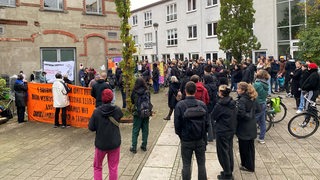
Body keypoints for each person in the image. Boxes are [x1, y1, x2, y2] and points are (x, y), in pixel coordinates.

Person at [174, 81, 208, 180]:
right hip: (200, 139)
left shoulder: (180, 105)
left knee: (186, 165)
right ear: (196, 91)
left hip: (186, 139)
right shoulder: (202, 105)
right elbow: (207, 123)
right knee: (201, 165)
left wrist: (181, 135)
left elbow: (177, 125)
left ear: (185, 91)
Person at [88, 89, 123, 180]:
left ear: (102, 98)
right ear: (112, 98)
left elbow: (91, 127)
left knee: (97, 167)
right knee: (113, 167)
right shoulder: (117, 110)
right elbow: (119, 118)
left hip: (101, 144)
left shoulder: (96, 112)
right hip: (114, 143)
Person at [212, 85, 237, 180]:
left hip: (222, 131)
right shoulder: (232, 102)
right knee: (229, 150)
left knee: (223, 153)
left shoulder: (220, 104)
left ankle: (227, 174)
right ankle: (229, 169)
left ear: (221, 93)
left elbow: (213, 116)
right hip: (231, 129)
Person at [236, 82, 259, 172]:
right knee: (250, 147)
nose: (237, 90)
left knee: (244, 147)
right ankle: (250, 165)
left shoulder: (242, 100)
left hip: (244, 127)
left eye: (238, 89)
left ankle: (247, 165)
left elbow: (241, 114)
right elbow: (259, 109)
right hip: (252, 125)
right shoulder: (252, 97)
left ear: (243, 90)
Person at [130, 77, 151, 153]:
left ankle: (134, 146)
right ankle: (144, 145)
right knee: (145, 129)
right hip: (146, 112)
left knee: (135, 130)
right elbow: (149, 101)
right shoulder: (147, 91)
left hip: (137, 113)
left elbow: (132, 101)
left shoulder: (134, 92)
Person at [253, 69, 269, 144]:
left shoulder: (257, 84)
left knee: (252, 121)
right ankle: (261, 138)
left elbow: (251, 92)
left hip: (257, 104)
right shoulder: (265, 83)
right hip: (263, 103)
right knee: (262, 122)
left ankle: (248, 136)